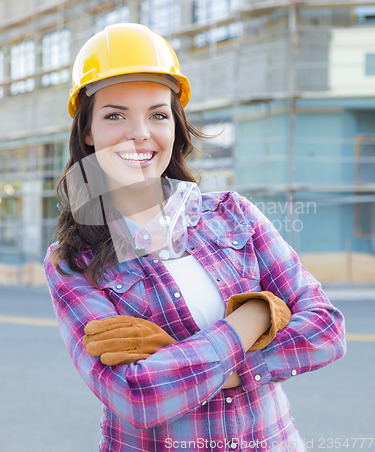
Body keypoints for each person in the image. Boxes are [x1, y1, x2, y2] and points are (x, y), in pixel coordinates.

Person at [44, 23, 346, 452]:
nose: (139, 133)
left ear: (174, 125)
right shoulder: (73, 261)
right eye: (115, 115)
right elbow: (138, 398)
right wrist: (254, 317)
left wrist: (211, 365)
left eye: (157, 114)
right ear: (87, 131)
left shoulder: (233, 215)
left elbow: (326, 329)